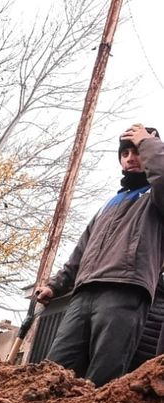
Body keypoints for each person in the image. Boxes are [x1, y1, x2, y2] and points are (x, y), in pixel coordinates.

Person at [35, 123, 164, 386]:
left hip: (125, 291)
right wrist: (55, 285)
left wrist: (147, 142)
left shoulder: (156, 197)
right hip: (83, 295)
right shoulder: (109, 204)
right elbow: (81, 250)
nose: (131, 157)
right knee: (54, 376)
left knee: (102, 380)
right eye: (125, 153)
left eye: (137, 150)